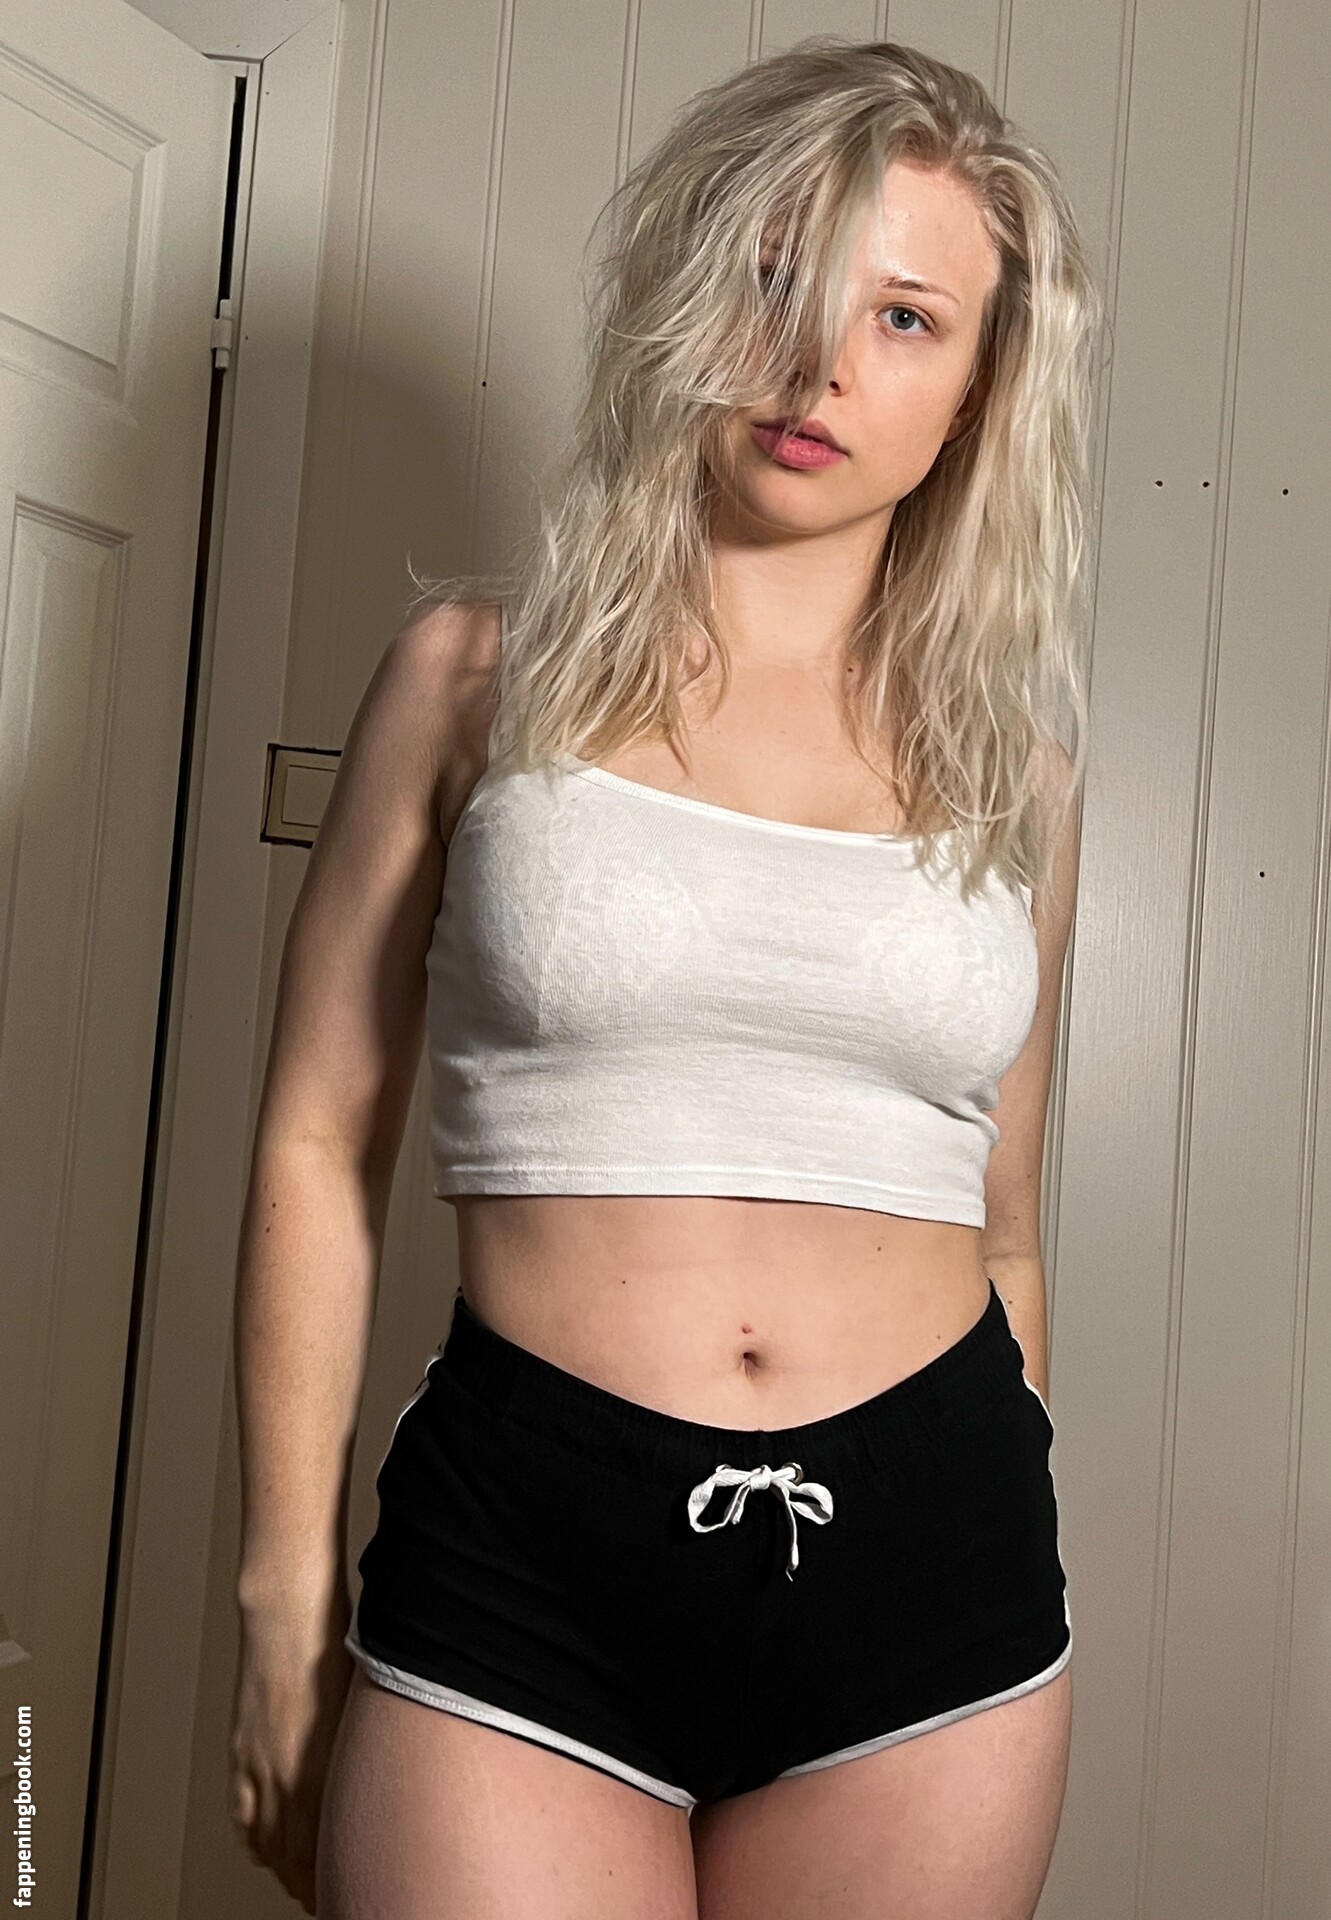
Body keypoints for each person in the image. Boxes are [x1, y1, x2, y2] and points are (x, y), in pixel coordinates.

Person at [230, 34, 1099, 1920]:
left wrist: (1004, 1499)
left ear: (976, 389)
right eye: (781, 277)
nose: (821, 365)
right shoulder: (474, 681)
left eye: (904, 317)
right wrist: (284, 1597)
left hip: (935, 1570)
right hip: (524, 1548)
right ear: (691, 293)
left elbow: (1007, 1220)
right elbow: (314, 1140)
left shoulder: (1016, 780)